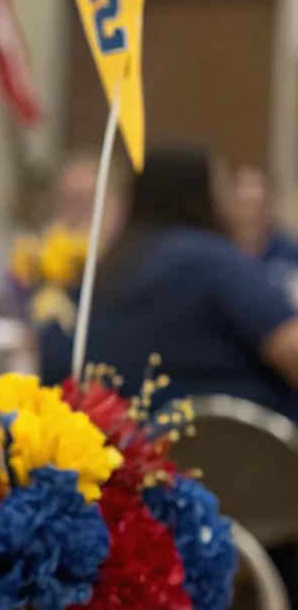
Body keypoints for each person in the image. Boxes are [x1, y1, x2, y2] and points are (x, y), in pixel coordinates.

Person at [40, 143, 298, 418]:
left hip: (130, 446)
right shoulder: (210, 260)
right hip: (235, 448)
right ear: (201, 192)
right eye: (223, 185)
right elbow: (289, 344)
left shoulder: (111, 265)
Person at [227, 165, 298, 303]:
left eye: (258, 205)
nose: (250, 215)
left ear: (270, 206)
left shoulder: (291, 253)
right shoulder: (216, 252)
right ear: (229, 207)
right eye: (244, 205)